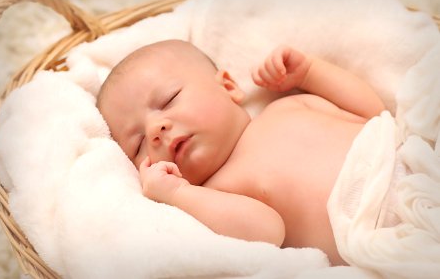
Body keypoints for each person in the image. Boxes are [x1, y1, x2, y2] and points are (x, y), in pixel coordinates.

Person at [96, 39, 385, 266]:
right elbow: (268, 232)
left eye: (168, 100)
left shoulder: (287, 106)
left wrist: (309, 72)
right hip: (385, 235)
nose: (155, 129)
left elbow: (373, 114)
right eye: (138, 143)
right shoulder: (216, 193)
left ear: (228, 86)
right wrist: (176, 194)